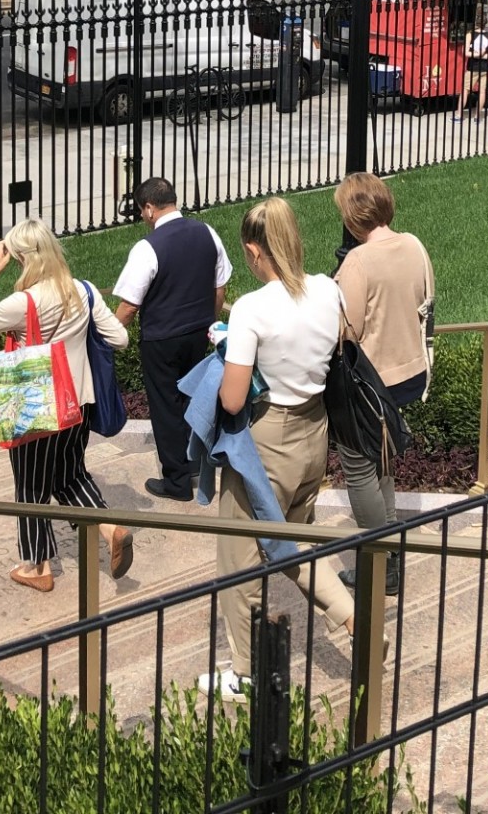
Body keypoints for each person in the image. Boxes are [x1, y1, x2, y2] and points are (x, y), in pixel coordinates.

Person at [205, 197, 358, 699]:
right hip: (315, 434)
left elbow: (231, 398)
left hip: (268, 438)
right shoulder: (327, 290)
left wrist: (227, 349)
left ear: (253, 251)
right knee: (290, 541)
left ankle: (246, 673)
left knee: (239, 559)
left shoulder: (251, 307)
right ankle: (354, 615)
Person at [0, 219, 136, 592]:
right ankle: (110, 527)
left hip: (38, 408)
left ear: (22, 257)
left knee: (31, 487)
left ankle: (37, 567)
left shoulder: (24, 302)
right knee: (70, 476)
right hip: (80, 404)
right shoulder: (83, 291)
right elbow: (119, 338)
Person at [331, 173, 432, 596]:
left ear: (353, 218)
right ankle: (391, 548)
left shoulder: (358, 261)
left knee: (358, 468)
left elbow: (344, 331)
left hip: (370, 384)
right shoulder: (414, 245)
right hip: (410, 372)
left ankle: (381, 561)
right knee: (383, 459)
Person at [112, 176, 232, 501]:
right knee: (193, 397)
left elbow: (128, 305)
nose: (142, 216)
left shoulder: (147, 247)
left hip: (161, 339)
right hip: (198, 333)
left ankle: (177, 482)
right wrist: (210, 320)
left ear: (149, 208)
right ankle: (193, 462)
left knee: (166, 406)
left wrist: (105, 339)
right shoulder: (207, 232)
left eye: (141, 211)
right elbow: (219, 287)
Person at [457, 23, 488, 121]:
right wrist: (483, 55)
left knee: (465, 90)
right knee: (482, 92)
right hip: (485, 68)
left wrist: (477, 54)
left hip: (472, 68)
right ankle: (477, 117)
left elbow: (466, 52)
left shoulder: (470, 35)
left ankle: (459, 115)